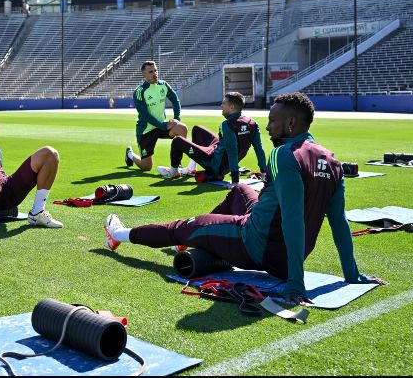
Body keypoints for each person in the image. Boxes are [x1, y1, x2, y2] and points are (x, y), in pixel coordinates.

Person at [105, 92, 386, 304]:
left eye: (273, 121)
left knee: (182, 227)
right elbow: (338, 222)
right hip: (275, 244)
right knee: (239, 190)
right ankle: (199, 237)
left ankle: (119, 233)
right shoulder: (332, 162)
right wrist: (352, 275)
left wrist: (295, 283)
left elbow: (292, 220)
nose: (267, 128)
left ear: (290, 123)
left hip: (256, 244)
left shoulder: (285, 155)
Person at [158, 91, 267, 182]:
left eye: (224, 104)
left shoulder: (227, 125)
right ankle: (192, 167)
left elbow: (232, 152)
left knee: (177, 141)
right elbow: (259, 149)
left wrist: (235, 181)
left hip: (216, 164)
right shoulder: (252, 123)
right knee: (197, 129)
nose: (221, 106)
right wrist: (264, 172)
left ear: (232, 107)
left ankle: (173, 172)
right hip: (221, 155)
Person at [124, 61, 188, 171]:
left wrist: (176, 118)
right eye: (151, 72)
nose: (155, 73)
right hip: (146, 130)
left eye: (155, 70)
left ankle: (177, 164)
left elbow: (175, 101)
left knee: (182, 128)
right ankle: (130, 154)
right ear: (144, 74)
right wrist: (163, 126)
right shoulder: (139, 92)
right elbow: (145, 115)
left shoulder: (163, 85)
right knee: (146, 167)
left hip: (162, 126)